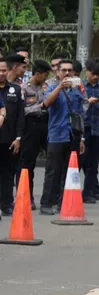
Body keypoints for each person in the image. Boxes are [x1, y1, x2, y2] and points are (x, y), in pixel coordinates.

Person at [40, 60, 84, 214]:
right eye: (63, 70)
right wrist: (60, 87)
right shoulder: (52, 87)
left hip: (73, 135)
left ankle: (62, 202)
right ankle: (46, 203)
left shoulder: (77, 90)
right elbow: (46, 103)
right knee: (53, 171)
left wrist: (82, 138)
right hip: (57, 134)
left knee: (69, 171)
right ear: (57, 73)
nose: (67, 73)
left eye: (69, 70)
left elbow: (80, 114)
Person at [20, 60, 52, 207]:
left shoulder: (46, 87)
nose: (46, 78)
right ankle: (27, 197)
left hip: (45, 125)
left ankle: (50, 197)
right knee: (28, 164)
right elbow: (22, 111)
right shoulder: (24, 89)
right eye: (45, 75)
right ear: (37, 74)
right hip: (30, 126)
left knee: (52, 159)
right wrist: (39, 107)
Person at [81, 58, 99, 204]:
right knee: (82, 161)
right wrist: (88, 102)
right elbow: (77, 107)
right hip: (84, 127)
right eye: (93, 73)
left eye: (98, 74)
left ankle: (88, 192)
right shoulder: (81, 86)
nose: (96, 77)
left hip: (98, 128)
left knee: (93, 163)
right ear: (87, 72)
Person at [0, 59, 23, 215]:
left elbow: (20, 116)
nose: (1, 74)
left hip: (9, 139)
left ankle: (7, 204)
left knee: (8, 173)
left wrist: (18, 138)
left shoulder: (15, 89)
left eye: (3, 70)